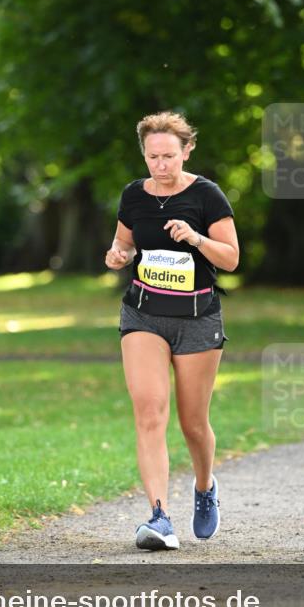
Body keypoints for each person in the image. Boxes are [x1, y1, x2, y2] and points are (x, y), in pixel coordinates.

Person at [105, 111, 239, 550]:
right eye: (152, 157)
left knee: (193, 422)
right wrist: (119, 256)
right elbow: (124, 243)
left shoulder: (207, 195)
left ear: (187, 151)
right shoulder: (133, 195)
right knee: (149, 412)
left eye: (168, 156)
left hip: (197, 319)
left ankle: (205, 487)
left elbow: (232, 258)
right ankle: (159, 517)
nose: (160, 165)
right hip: (143, 314)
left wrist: (196, 239)